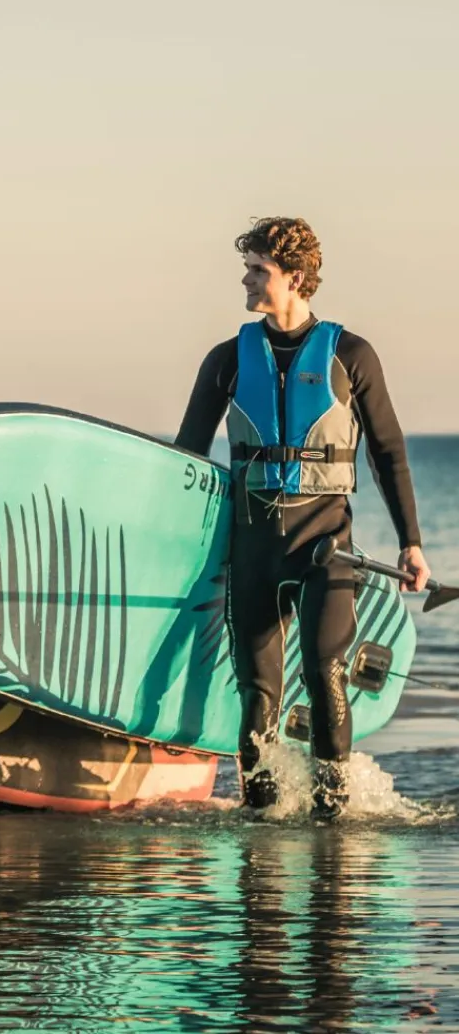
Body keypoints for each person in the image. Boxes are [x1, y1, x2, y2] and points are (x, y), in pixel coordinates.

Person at [174, 216, 430, 820]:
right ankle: (261, 822)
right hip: (253, 546)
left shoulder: (351, 354)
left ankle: (333, 819)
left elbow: (387, 450)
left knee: (324, 675)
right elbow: (186, 455)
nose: (246, 279)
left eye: (258, 270)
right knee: (258, 696)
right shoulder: (226, 360)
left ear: (294, 278)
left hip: (325, 547)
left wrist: (411, 544)